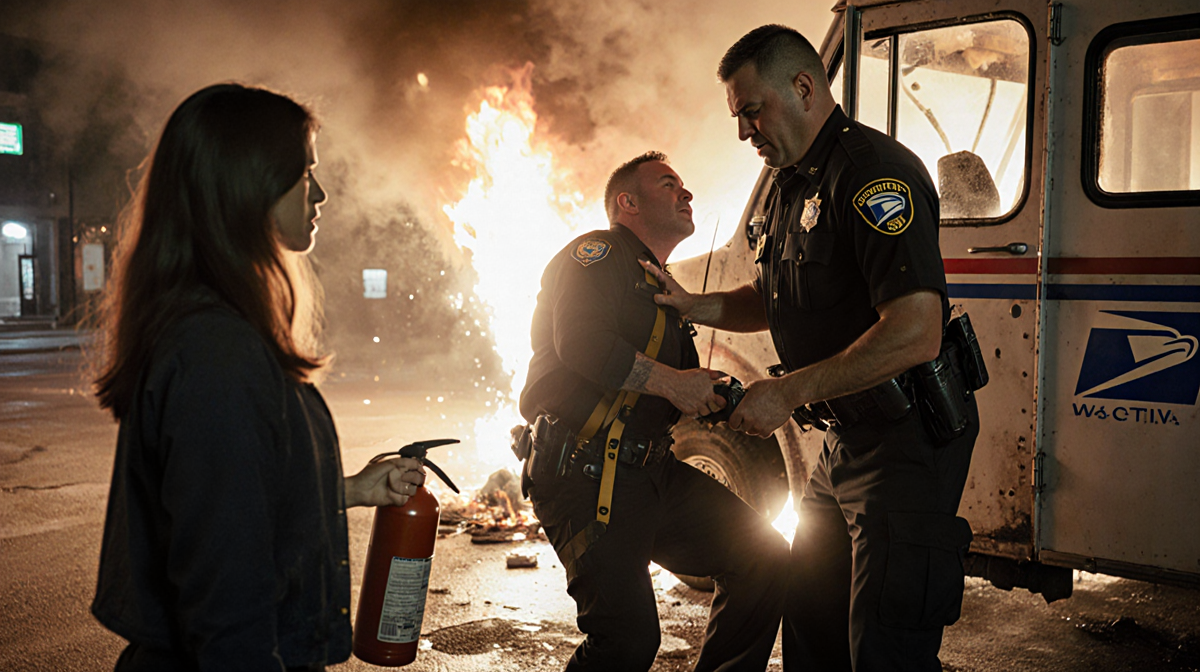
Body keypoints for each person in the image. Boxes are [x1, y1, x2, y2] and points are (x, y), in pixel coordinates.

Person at [645, 25, 980, 672]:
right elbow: (776, 296)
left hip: (905, 440)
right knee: (812, 622)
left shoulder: (875, 176)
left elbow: (917, 330)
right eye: (738, 116)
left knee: (885, 645)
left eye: (751, 110)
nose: (744, 131)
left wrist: (789, 391)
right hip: (845, 442)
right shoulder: (792, 182)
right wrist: (697, 306)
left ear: (803, 87)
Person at [90, 83, 426, 672]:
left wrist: (349, 490)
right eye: (304, 174)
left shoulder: (217, 330)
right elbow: (227, 608)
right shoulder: (218, 352)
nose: (319, 194)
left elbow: (233, 506)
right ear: (248, 185)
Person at [518, 151, 790, 671]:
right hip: (585, 472)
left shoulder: (659, 286)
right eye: (669, 185)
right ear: (627, 202)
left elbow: (677, 395)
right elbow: (581, 343)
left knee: (764, 560)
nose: (686, 194)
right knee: (626, 642)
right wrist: (672, 382)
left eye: (684, 186)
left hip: (649, 471)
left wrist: (728, 400)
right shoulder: (595, 254)